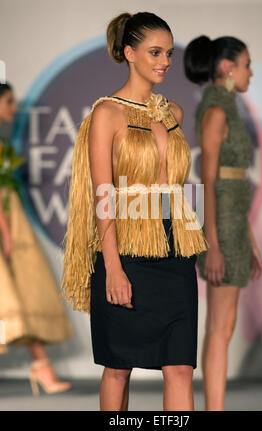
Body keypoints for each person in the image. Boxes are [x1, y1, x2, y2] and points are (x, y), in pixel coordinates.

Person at [61, 12, 208, 411]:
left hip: (175, 251)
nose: (164, 61)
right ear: (129, 53)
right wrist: (113, 267)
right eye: (154, 52)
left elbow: (176, 189)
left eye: (169, 53)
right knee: (118, 366)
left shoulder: (173, 114)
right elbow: (103, 195)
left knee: (179, 368)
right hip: (125, 252)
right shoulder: (107, 114)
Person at [184, 36, 262, 410]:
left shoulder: (227, 108)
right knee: (219, 328)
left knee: (223, 327)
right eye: (246, 64)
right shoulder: (216, 111)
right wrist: (213, 244)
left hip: (233, 227)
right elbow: (209, 179)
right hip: (221, 230)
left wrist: (248, 239)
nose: (250, 71)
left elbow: (233, 183)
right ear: (227, 67)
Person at [0, 82, 73, 396]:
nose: (14, 109)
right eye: (9, 102)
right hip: (6, 223)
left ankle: (41, 367)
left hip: (11, 219)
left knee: (23, 294)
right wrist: (5, 233)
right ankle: (41, 367)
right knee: (12, 297)